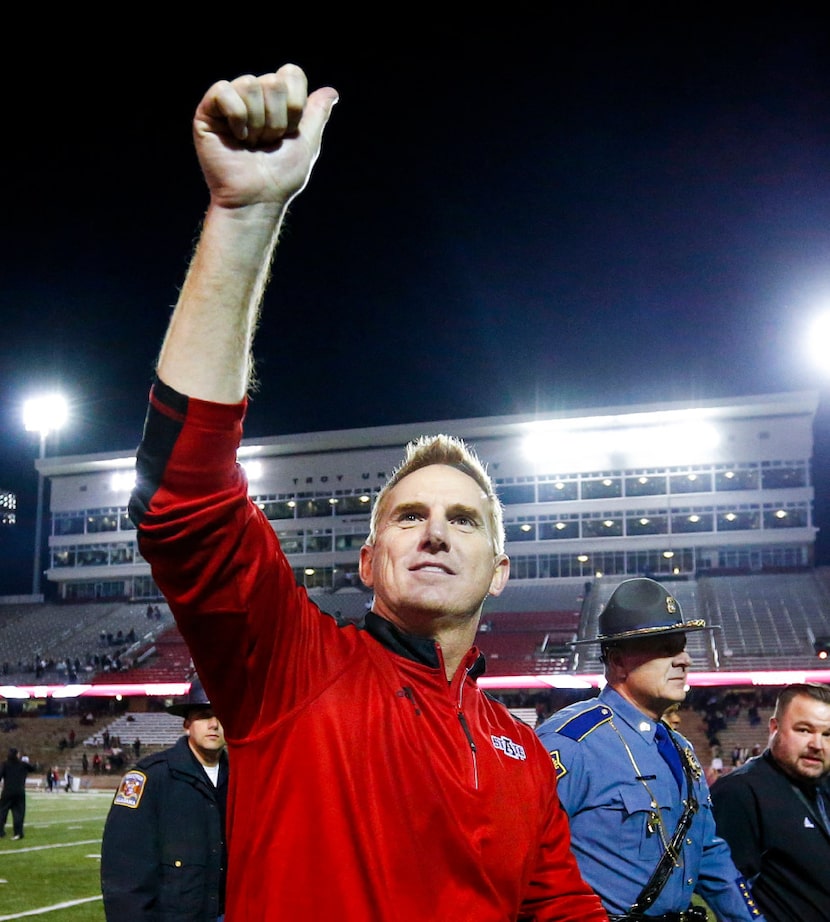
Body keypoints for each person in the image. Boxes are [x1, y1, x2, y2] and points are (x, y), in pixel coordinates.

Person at [128, 64, 606, 921]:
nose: (434, 531)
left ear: (499, 570)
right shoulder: (294, 671)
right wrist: (243, 217)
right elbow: (183, 500)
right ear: (368, 559)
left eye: (462, 519)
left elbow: (560, 905)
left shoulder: (526, 757)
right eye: (408, 516)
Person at [537, 578, 764, 921]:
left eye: (683, 646)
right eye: (665, 647)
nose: (684, 660)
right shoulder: (571, 742)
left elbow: (708, 853)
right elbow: (525, 858)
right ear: (618, 661)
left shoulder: (680, 749)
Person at [100, 675, 229, 922]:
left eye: (221, 715)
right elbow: (124, 870)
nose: (214, 724)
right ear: (187, 723)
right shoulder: (150, 778)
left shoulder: (239, 779)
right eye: (204, 715)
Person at [710, 682, 830, 922]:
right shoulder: (740, 792)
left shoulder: (823, 786)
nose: (817, 745)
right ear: (774, 728)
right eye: (804, 730)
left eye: (828, 734)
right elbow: (727, 892)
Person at [0, 747, 37, 839]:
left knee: (2, 811)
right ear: (17, 755)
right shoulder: (23, 764)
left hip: (7, 791)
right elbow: (33, 769)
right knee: (19, 813)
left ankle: (0, 831)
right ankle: (18, 832)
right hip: (19, 791)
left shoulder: (5, 764)